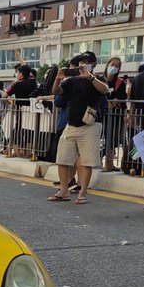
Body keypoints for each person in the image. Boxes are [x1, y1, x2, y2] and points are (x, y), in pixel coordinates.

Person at [48, 52, 108, 205]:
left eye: (87, 63)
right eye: (81, 63)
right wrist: (58, 78)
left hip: (90, 125)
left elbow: (104, 90)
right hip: (71, 124)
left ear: (93, 65)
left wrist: (90, 77)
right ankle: (63, 190)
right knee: (62, 159)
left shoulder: (97, 79)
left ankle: (82, 193)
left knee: (86, 161)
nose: (83, 66)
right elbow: (56, 92)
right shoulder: (71, 81)